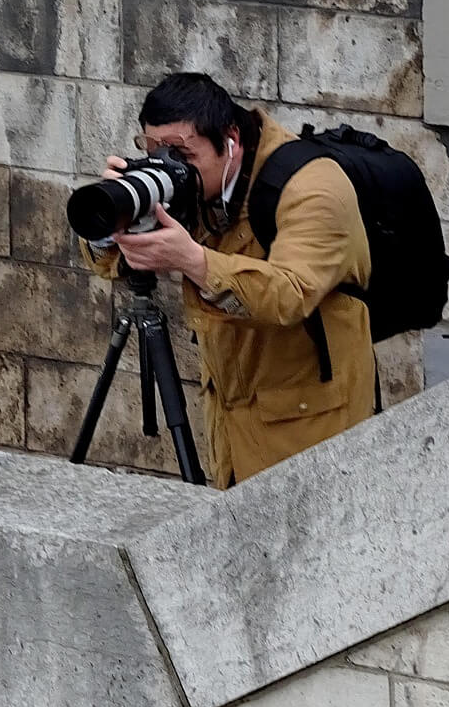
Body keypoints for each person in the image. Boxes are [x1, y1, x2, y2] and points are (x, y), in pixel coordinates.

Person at [81, 73, 374, 488]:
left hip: (312, 421)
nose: (170, 167)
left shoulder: (313, 188)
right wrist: (116, 219)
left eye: (182, 153)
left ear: (230, 139)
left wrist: (194, 261)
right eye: (155, 151)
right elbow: (112, 263)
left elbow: (290, 296)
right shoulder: (197, 185)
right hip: (232, 414)